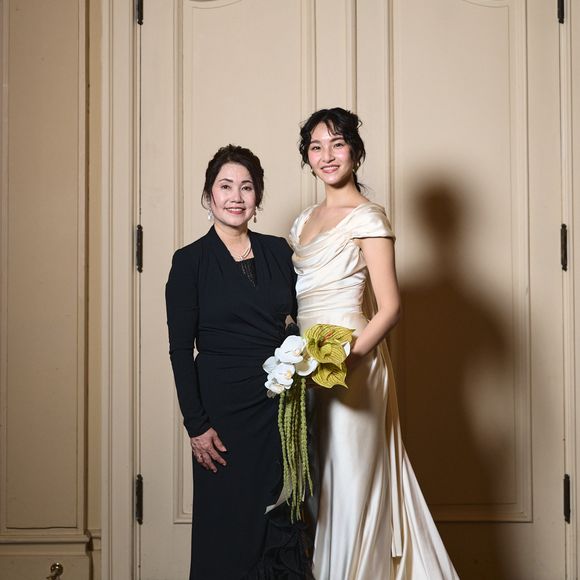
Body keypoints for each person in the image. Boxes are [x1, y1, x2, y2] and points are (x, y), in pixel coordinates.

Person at [289, 109, 460, 579]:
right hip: (304, 365)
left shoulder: (368, 217)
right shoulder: (303, 222)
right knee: (316, 484)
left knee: (351, 481)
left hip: (353, 364)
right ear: (307, 156)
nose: (327, 155)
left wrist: (345, 360)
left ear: (355, 152)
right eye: (316, 146)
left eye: (337, 144)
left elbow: (390, 308)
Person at [166, 145, 310, 580]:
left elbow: (301, 321)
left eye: (246, 187)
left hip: (277, 408)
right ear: (208, 195)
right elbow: (180, 350)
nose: (236, 196)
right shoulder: (189, 261)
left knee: (279, 520)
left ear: (257, 196)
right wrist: (196, 425)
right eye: (225, 186)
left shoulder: (279, 252)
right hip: (222, 416)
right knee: (227, 530)